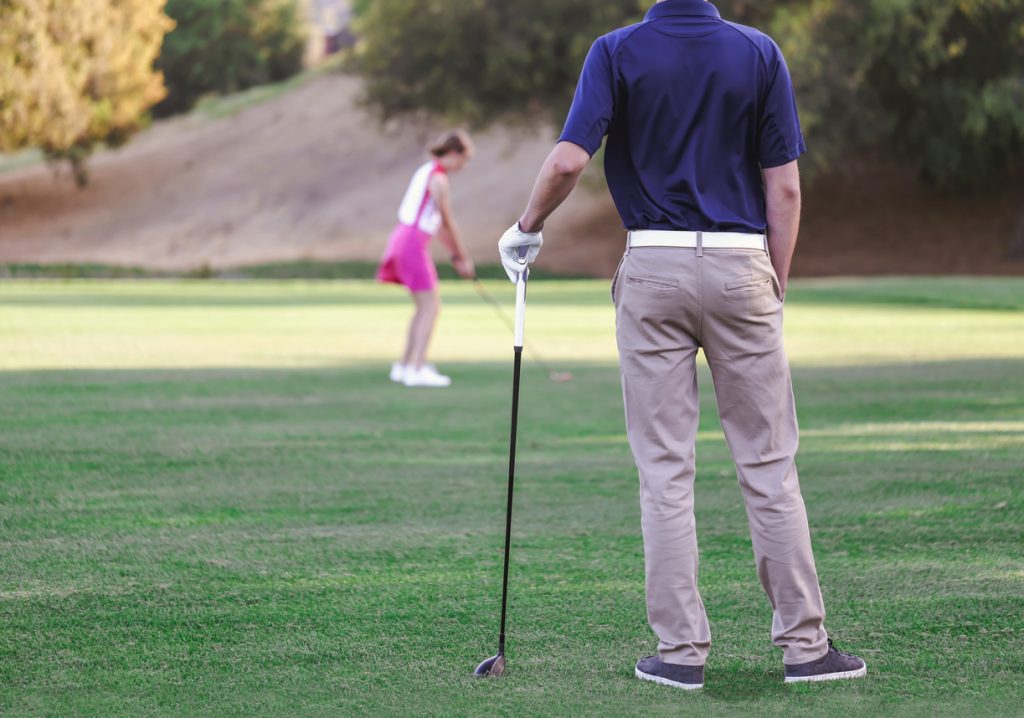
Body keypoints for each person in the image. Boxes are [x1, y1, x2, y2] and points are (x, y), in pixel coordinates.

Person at [497, 0, 866, 689]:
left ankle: (679, 655)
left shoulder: (615, 51)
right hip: (743, 265)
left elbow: (569, 161)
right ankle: (806, 649)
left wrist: (526, 227)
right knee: (769, 463)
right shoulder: (758, 53)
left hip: (654, 266)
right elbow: (783, 187)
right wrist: (772, 282)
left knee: (665, 469)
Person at [377, 130, 476, 387]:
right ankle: (417, 369)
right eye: (463, 160)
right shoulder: (439, 180)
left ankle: (405, 365)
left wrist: (455, 255)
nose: (463, 167)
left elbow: (437, 225)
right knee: (431, 306)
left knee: (423, 307)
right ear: (453, 154)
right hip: (412, 243)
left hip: (401, 238)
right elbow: (447, 222)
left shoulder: (426, 170)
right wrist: (463, 257)